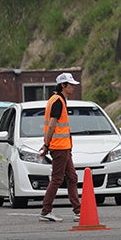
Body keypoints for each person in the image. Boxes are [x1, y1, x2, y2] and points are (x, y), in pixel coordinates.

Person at [37, 72, 82, 222]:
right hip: (60, 147)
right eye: (71, 85)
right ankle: (46, 211)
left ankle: (78, 211)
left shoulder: (57, 99)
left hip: (64, 147)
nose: (73, 88)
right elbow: (51, 125)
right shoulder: (58, 101)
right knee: (57, 179)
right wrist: (46, 144)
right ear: (63, 85)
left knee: (72, 177)